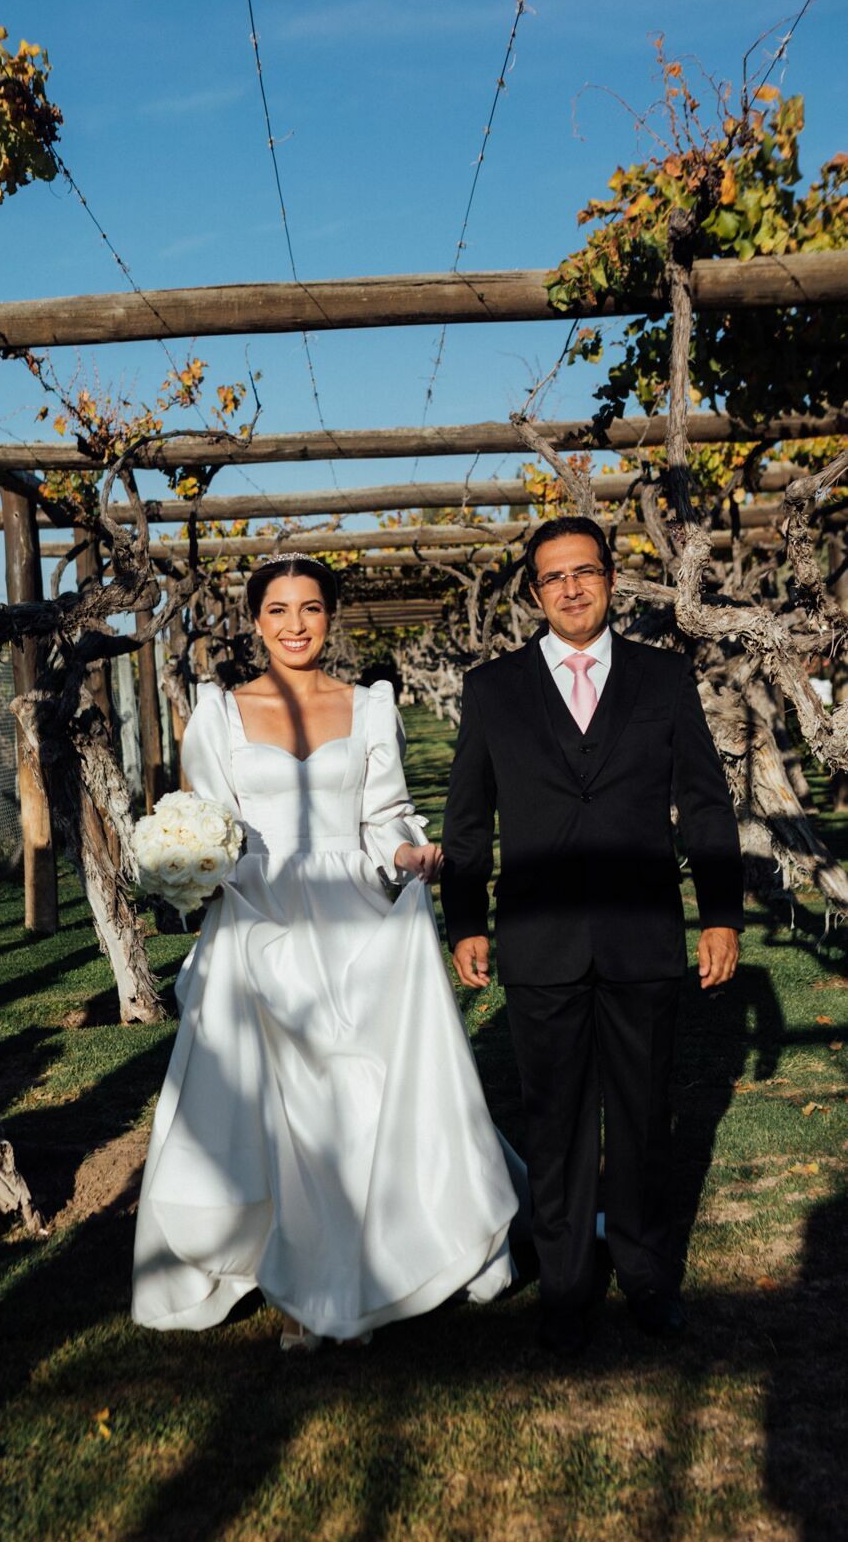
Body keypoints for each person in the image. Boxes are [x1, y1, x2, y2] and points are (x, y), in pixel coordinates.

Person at [132, 554, 526, 1348]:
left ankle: (367, 1257)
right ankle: (292, 1267)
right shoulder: (217, 715)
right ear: (254, 622)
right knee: (281, 1102)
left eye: (310, 608)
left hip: (354, 918)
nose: (294, 625)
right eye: (276, 610)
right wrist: (192, 866)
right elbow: (205, 819)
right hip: (258, 916)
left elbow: (388, 815)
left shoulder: (369, 707)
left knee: (358, 1091)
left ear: (331, 615)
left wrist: (405, 852)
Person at [442, 516, 744, 1355]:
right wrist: (465, 919)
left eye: (585, 571)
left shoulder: (663, 679)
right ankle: (568, 1288)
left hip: (641, 936)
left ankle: (647, 1277)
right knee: (556, 1119)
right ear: (533, 593)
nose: (570, 588)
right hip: (537, 943)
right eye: (552, 577)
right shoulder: (492, 688)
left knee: (646, 1117)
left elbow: (707, 804)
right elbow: (467, 821)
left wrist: (719, 912)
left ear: (612, 579)